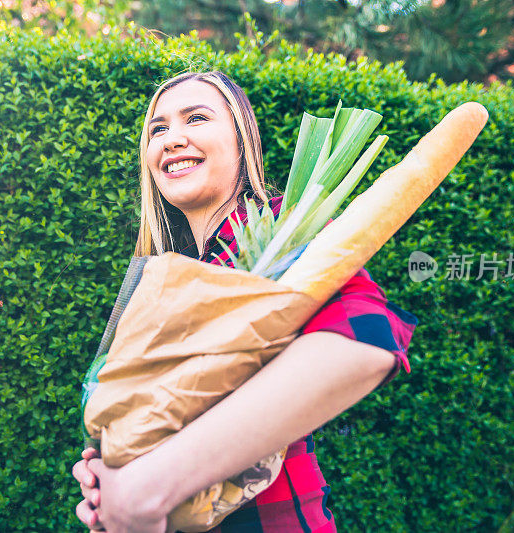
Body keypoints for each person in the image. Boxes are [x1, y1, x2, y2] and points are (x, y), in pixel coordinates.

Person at [72, 71, 418, 533]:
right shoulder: (170, 272)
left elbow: (366, 337)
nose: (172, 139)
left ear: (242, 143)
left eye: (196, 118)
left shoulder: (279, 230)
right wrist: (111, 481)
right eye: (157, 129)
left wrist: (151, 483)